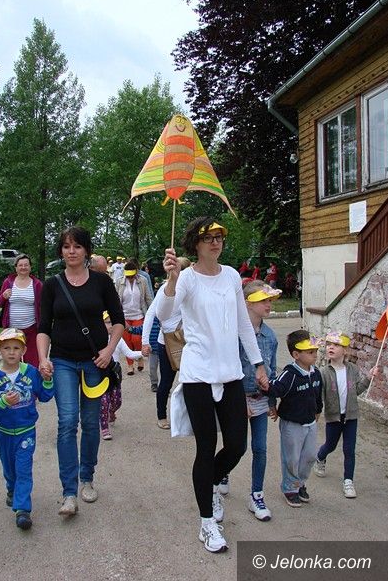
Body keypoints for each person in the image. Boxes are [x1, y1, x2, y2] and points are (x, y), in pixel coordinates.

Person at [158, 217, 268, 554]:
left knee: (236, 446)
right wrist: (171, 281)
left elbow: (243, 324)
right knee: (206, 448)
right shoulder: (186, 278)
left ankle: (210, 484)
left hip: (230, 373)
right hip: (198, 375)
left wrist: (258, 363)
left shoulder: (232, 276)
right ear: (196, 243)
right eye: (208, 238)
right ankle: (207, 522)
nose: (216, 242)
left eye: (219, 237)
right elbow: (165, 315)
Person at [37, 226, 125, 516]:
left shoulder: (101, 282)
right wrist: (43, 358)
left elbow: (119, 320)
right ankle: (68, 492)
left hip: (94, 362)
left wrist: (109, 350)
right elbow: (43, 327)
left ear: (86, 250)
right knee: (67, 422)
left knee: (90, 422)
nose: (71, 251)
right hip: (62, 360)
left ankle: (87, 478)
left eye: (77, 246)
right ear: (61, 251)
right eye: (66, 246)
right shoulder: (52, 285)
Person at [220, 281, 281, 522]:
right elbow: (229, 368)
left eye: (270, 300)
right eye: (263, 300)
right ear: (248, 303)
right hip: (238, 398)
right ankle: (222, 472)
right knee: (236, 446)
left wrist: (272, 400)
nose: (268, 304)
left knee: (260, 447)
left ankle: (256, 495)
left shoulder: (270, 336)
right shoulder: (234, 335)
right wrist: (236, 400)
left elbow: (271, 369)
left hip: (260, 399)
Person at [0, 328, 54, 530]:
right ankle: (11, 488)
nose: (11, 352)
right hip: (3, 433)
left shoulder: (30, 372)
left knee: (23, 469)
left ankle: (22, 509)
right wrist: (4, 402)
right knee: (9, 468)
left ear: (23, 350)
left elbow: (45, 396)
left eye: (16, 348)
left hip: (26, 432)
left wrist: (47, 380)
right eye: (6, 348)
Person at [314, 331, 377, 498]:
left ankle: (348, 481)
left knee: (349, 449)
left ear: (345, 350)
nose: (331, 347)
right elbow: (319, 396)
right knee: (330, 445)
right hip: (333, 416)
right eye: (329, 344)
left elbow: (357, 390)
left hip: (350, 416)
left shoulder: (352, 369)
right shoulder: (323, 372)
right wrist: (315, 410)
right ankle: (320, 457)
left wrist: (368, 377)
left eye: (336, 345)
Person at [265, 330, 322, 508]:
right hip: (292, 424)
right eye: (310, 352)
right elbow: (275, 389)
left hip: (310, 422)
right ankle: (290, 488)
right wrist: (266, 393)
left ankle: (300, 482)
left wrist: (318, 409)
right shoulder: (289, 375)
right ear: (296, 355)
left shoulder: (316, 373)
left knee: (310, 456)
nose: (315, 355)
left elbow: (318, 394)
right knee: (292, 458)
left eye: (315, 351)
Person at [142, 257, 191, 428]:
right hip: (168, 343)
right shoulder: (165, 289)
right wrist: (145, 341)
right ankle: (161, 416)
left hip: (190, 343)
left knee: (192, 381)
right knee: (166, 382)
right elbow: (151, 314)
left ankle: (191, 416)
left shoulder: (193, 289)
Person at [100, 311, 142, 440]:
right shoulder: (97, 340)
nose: (111, 325)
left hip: (114, 375)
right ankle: (104, 428)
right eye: (107, 323)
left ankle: (111, 412)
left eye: (112, 323)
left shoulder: (118, 340)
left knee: (117, 401)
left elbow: (130, 353)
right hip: (100, 375)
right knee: (104, 402)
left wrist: (143, 353)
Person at [0, 254, 43, 367]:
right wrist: (4, 297)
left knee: (33, 361)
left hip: (31, 329)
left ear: (30, 267)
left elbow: (43, 306)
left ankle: (31, 378)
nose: (23, 267)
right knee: (12, 360)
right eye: (20, 265)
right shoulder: (8, 282)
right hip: (11, 330)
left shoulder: (37, 284)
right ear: (16, 267)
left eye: (26, 265)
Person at [115, 259, 152, 375]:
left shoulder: (143, 280)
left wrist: (153, 312)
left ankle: (139, 357)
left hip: (139, 315)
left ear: (136, 273)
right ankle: (130, 365)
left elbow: (148, 298)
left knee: (136, 339)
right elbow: (115, 300)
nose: (130, 278)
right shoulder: (119, 281)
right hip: (124, 316)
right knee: (127, 342)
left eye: (132, 276)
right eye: (128, 276)